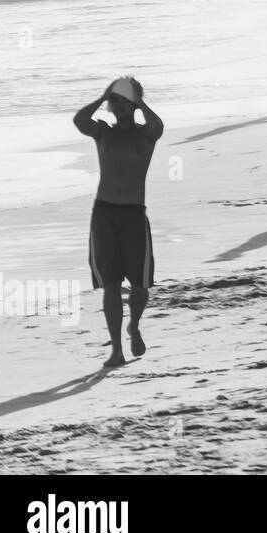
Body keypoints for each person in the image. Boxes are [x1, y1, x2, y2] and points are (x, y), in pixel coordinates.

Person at [73, 77, 163, 368]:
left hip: (134, 215)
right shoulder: (102, 132)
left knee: (139, 285)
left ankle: (134, 324)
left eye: (125, 101)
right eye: (116, 101)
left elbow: (158, 126)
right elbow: (79, 119)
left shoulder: (146, 134)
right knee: (110, 285)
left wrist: (138, 101)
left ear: (134, 104)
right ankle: (116, 350)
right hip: (104, 214)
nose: (119, 106)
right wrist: (102, 96)